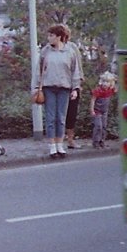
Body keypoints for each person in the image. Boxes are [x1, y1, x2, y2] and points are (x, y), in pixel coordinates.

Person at [36, 24, 82, 159]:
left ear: (59, 37)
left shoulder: (70, 51)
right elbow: (38, 71)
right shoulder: (45, 51)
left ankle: (60, 145)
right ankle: (52, 146)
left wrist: (75, 88)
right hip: (49, 87)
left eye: (51, 35)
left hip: (65, 87)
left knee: (61, 118)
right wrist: (36, 87)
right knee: (51, 118)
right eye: (49, 35)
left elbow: (75, 70)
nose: (49, 38)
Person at [59, 25, 84, 149]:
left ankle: (70, 139)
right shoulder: (52, 48)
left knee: (71, 112)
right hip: (58, 84)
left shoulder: (72, 47)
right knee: (59, 112)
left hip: (72, 84)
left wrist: (79, 83)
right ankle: (58, 139)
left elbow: (78, 66)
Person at [90, 71, 117, 148]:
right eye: (104, 81)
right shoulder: (98, 90)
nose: (105, 84)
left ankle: (102, 141)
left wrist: (115, 79)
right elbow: (93, 100)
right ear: (101, 82)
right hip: (97, 111)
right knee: (98, 126)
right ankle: (96, 142)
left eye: (107, 82)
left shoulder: (110, 90)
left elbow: (117, 87)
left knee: (104, 126)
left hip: (105, 111)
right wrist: (92, 110)